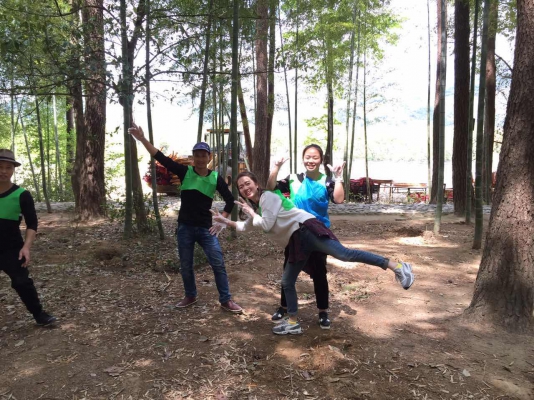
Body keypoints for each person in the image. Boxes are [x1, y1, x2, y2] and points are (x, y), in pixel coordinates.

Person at [212, 171, 414, 335]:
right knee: (287, 281)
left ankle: (397, 266)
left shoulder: (268, 197)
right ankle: (292, 322)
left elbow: (265, 224)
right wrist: (224, 221)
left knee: (344, 254)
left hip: (306, 230)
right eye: (241, 186)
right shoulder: (259, 207)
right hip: (296, 241)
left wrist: (251, 213)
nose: (245, 188)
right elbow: (246, 226)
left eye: (248, 183)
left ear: (256, 184)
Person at [128, 124, 242, 313]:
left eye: (203, 155)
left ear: (209, 157)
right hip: (185, 228)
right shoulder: (185, 172)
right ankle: (190, 295)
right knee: (186, 264)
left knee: (218, 263)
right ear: (193, 157)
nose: (200, 159)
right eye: (197, 155)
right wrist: (142, 139)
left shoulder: (215, 177)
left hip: (206, 229)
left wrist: (221, 221)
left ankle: (226, 300)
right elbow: (161, 158)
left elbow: (230, 201)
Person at [266, 144, 345, 329]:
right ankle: (284, 307)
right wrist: (276, 167)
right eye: (308, 157)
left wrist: (339, 177)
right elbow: (270, 188)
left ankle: (323, 311)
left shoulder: (327, 181)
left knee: (319, 273)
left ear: (321, 160)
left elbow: (339, 199)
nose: (311, 160)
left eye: (315, 157)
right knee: (288, 271)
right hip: (296, 232)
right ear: (303, 159)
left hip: (318, 234)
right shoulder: (293, 179)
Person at [0, 149, 57, 326]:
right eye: (0, 167)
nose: (3, 171)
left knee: (22, 282)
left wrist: (26, 247)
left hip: (11, 248)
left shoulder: (22, 195)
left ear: (13, 170)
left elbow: (32, 223)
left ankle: (39, 315)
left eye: (8, 167)